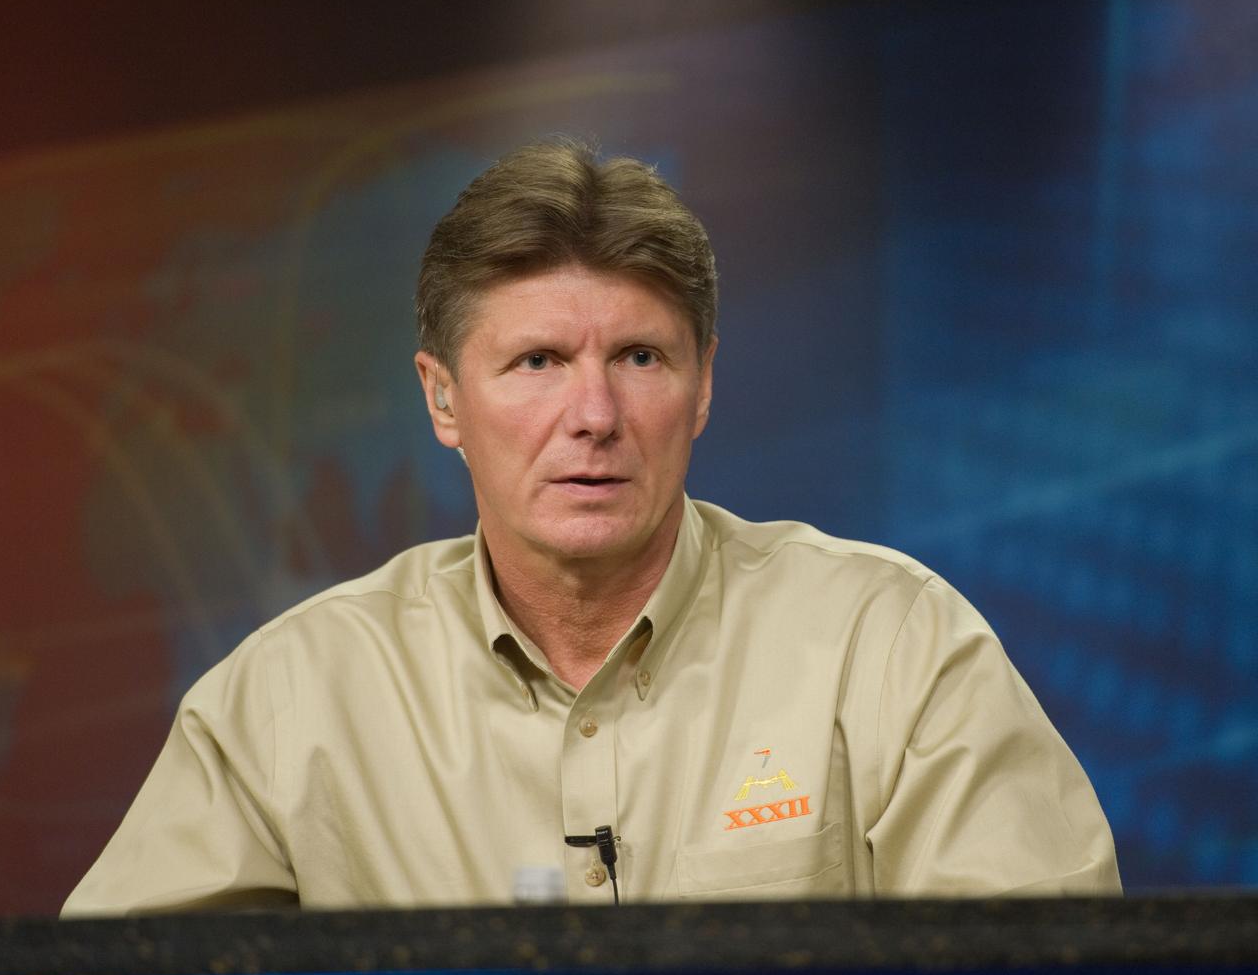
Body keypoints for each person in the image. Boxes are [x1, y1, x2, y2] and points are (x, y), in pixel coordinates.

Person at [63, 140, 1120, 914]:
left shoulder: (891, 647)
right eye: (535, 363)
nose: (594, 416)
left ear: (702, 389)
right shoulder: (288, 699)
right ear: (441, 401)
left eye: (639, 359)